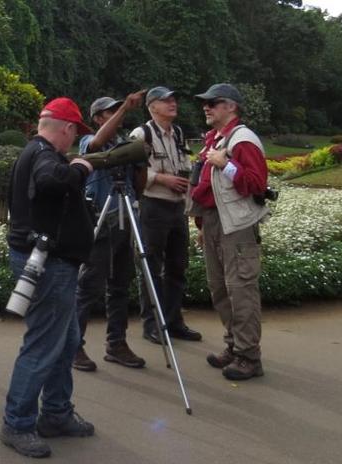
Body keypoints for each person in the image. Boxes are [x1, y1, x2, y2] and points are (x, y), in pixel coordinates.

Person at [0, 97, 97, 458]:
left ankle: (56, 412)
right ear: (67, 128)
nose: (73, 142)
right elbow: (50, 182)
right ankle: (17, 422)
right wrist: (81, 169)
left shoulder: (35, 151)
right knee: (43, 344)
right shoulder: (45, 155)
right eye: (74, 134)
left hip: (49, 261)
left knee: (66, 339)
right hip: (48, 263)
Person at [189, 83, 270, 381]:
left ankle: (249, 356)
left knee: (241, 291)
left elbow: (256, 184)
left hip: (236, 226)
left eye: (214, 102)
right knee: (220, 289)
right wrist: (203, 225)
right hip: (215, 223)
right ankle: (235, 346)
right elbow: (208, 189)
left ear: (231, 107)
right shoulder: (217, 138)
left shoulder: (242, 140)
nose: (206, 107)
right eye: (205, 102)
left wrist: (226, 165)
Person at [72, 91, 147, 372]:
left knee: (120, 285)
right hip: (100, 221)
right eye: (111, 110)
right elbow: (96, 144)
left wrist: (140, 163)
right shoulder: (88, 140)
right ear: (98, 117)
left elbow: (139, 184)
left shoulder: (127, 144)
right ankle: (74, 345)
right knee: (89, 285)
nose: (118, 113)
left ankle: (116, 344)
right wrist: (126, 107)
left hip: (124, 219)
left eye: (118, 108)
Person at [128, 86, 202, 345]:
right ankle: (152, 324)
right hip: (153, 206)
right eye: (166, 100)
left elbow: (187, 168)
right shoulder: (141, 133)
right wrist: (161, 178)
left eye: (174, 99)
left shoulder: (178, 133)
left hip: (177, 208)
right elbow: (132, 172)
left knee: (177, 267)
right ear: (152, 107)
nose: (173, 103)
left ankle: (173, 321)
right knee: (151, 267)